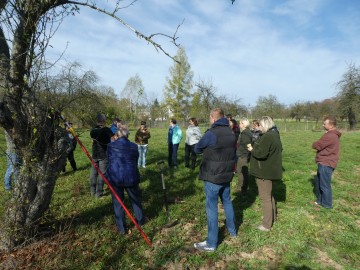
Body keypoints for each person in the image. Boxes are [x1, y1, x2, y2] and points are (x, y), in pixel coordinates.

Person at [193, 108, 237, 252]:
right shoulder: (231, 132)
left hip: (212, 176)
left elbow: (197, 148)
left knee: (212, 208)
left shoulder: (211, 133)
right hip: (227, 175)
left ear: (213, 118)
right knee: (227, 202)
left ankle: (211, 243)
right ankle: (232, 231)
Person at [106, 124, 145, 234]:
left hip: (115, 177)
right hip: (130, 176)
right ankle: (140, 221)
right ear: (127, 135)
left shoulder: (110, 146)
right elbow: (135, 159)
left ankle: (121, 228)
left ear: (118, 134)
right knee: (135, 199)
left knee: (118, 203)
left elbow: (108, 159)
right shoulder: (134, 146)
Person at [247, 116, 282, 231]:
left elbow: (261, 154)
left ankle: (266, 224)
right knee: (269, 195)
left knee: (265, 197)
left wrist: (252, 149)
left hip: (264, 172)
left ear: (265, 125)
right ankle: (272, 217)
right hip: (269, 169)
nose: (259, 128)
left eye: (260, 125)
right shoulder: (275, 134)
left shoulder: (268, 136)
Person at [312, 116, 341, 209]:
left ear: (331, 125)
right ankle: (320, 201)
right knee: (320, 182)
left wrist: (315, 143)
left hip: (326, 163)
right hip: (326, 162)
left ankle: (327, 205)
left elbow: (317, 145)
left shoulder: (330, 135)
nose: (323, 125)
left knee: (324, 185)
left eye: (325, 123)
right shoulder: (331, 134)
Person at [90, 114, 114, 197]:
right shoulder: (106, 129)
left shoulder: (93, 129)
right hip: (103, 154)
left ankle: (92, 192)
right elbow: (114, 138)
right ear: (103, 120)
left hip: (94, 154)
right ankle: (98, 194)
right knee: (102, 174)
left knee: (93, 173)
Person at [236, 118, 252, 194]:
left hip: (243, 155)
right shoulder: (246, 132)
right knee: (240, 171)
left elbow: (247, 145)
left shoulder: (245, 133)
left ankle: (242, 189)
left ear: (243, 124)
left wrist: (245, 155)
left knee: (242, 172)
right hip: (242, 155)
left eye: (240, 123)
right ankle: (240, 188)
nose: (239, 125)